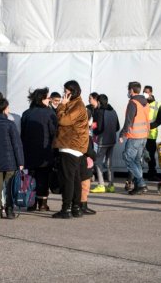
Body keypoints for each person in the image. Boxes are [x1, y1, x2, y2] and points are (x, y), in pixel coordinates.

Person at [52, 80, 88, 219]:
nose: (63, 93)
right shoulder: (77, 104)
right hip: (75, 146)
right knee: (75, 179)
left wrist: (61, 105)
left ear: (72, 91)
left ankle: (66, 208)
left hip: (70, 145)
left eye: (66, 91)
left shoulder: (77, 105)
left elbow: (63, 121)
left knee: (68, 179)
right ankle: (76, 208)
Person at [20, 87, 57, 211]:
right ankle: (42, 203)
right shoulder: (50, 113)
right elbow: (54, 133)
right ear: (42, 99)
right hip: (45, 152)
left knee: (31, 177)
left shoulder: (26, 113)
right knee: (44, 178)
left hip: (29, 152)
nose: (50, 100)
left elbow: (22, 134)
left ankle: (31, 202)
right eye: (48, 98)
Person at [120, 81, 150, 195]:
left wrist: (122, 134)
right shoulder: (145, 102)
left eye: (128, 90)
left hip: (134, 136)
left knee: (128, 158)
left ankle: (141, 183)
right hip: (143, 136)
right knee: (137, 161)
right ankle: (138, 186)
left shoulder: (133, 103)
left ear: (131, 90)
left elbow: (129, 120)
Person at [90, 94, 120, 193]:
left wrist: (93, 130)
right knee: (109, 163)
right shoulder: (113, 111)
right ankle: (111, 185)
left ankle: (101, 185)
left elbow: (98, 128)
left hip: (103, 141)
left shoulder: (99, 112)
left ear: (98, 102)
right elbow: (117, 127)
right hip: (112, 140)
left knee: (98, 162)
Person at [143, 86, 161, 180]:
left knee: (151, 155)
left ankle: (151, 174)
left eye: (147, 92)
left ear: (151, 93)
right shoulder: (141, 102)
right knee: (139, 154)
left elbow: (159, 120)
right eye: (144, 91)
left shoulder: (157, 104)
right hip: (140, 133)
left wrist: (149, 126)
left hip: (151, 134)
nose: (145, 93)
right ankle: (137, 175)